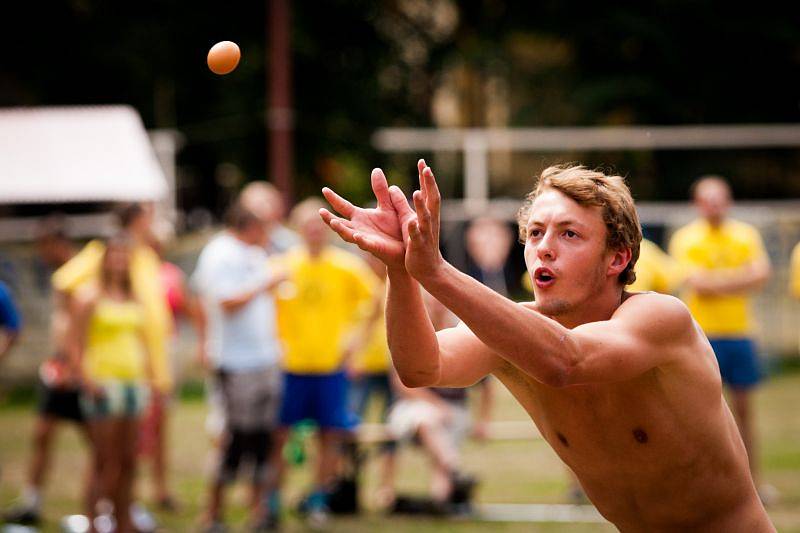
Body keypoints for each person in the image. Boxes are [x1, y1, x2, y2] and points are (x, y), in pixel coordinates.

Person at [320, 161, 774, 531]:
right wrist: (402, 273)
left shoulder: (660, 318)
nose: (544, 249)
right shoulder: (515, 334)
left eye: (569, 234)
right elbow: (420, 368)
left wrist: (434, 271)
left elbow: (565, 360)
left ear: (617, 257)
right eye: (535, 233)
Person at [271, 198, 376, 526]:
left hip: (331, 367)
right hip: (291, 367)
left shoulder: (346, 266)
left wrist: (355, 346)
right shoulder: (282, 265)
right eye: (308, 227)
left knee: (330, 436)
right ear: (298, 230)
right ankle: (273, 498)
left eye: (320, 227)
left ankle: (317, 499)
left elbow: (374, 302)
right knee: (280, 435)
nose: (315, 233)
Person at [669, 176, 772, 500]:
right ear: (696, 204)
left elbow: (761, 275)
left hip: (740, 333)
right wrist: (738, 279)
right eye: (707, 199)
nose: (713, 205)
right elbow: (696, 283)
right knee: (702, 417)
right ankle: (706, 485)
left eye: (719, 198)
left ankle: (752, 482)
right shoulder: (686, 238)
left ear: (728, 201)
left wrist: (717, 283)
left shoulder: (746, 234)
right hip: (700, 337)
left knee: (743, 412)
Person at [191, 202, 285, 532]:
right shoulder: (220, 253)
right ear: (250, 226)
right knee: (233, 441)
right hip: (235, 363)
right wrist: (266, 283)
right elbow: (226, 302)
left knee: (262, 441)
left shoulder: (258, 254)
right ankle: (213, 514)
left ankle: (258, 513)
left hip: (265, 360)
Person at [4, 219, 84, 527]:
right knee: (42, 434)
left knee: (98, 441)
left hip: (73, 370)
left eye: (43, 246)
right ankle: (32, 501)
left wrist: (72, 364)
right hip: (59, 366)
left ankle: (107, 502)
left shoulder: (79, 275)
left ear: (57, 243)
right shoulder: (62, 275)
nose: (40, 253)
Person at [70, 236, 153, 533]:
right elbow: (75, 344)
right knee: (103, 459)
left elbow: (140, 342)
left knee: (129, 459)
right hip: (103, 384)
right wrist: (86, 379)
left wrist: (149, 378)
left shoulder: (133, 296)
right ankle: (93, 523)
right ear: (104, 259)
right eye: (113, 255)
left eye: (123, 255)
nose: (119, 261)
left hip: (133, 385)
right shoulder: (89, 296)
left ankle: (123, 520)